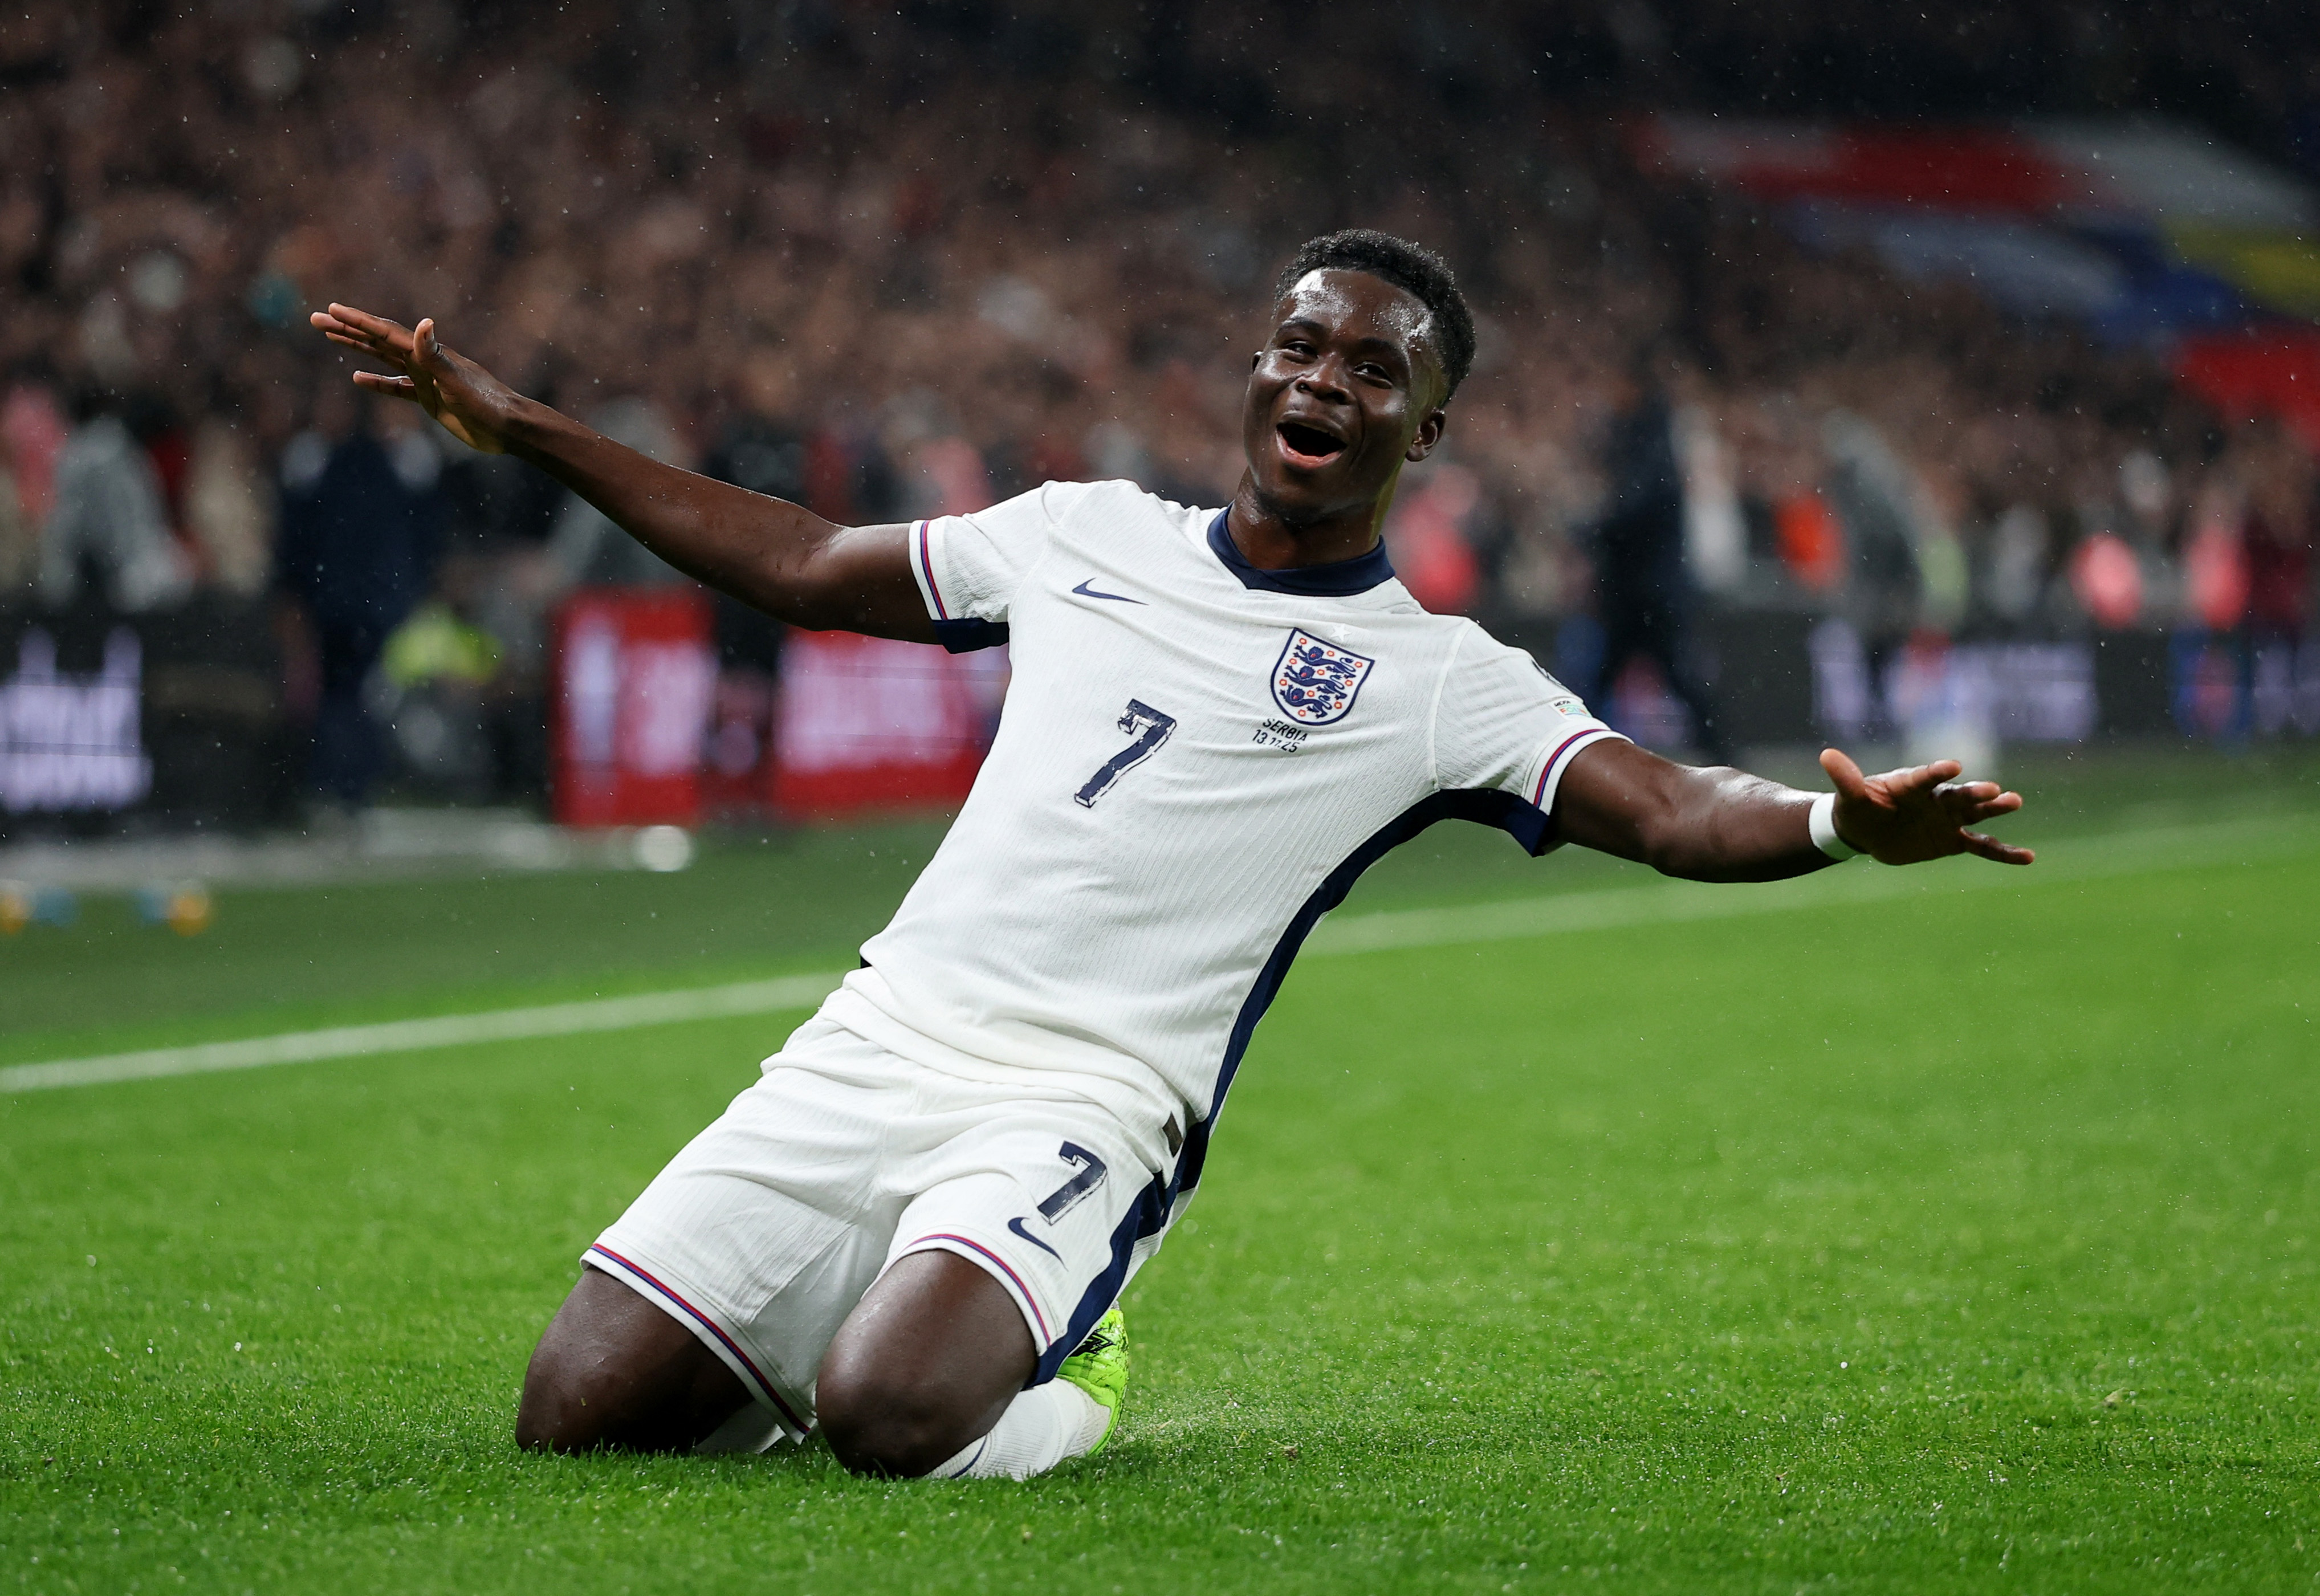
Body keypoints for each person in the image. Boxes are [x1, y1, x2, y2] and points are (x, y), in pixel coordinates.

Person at [313, 230, 2032, 1481]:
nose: (1323, 380)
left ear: (1420, 436)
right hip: (883, 1034)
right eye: (1303, 344)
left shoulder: (1435, 679)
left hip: (1091, 1101)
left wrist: (1830, 824)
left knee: (893, 1422)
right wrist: (526, 425)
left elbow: (1659, 806)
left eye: (1376, 370)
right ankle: (855, 1300)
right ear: (1258, 365)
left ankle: (1064, 1350)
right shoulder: (1079, 535)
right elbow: (809, 560)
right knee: (571, 1420)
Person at [1586, 365, 1731, 763]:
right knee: (1638, 674)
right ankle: (1722, 749)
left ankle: (1722, 748)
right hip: (1645, 589)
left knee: (1665, 673)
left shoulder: (1650, 442)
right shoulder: (1648, 439)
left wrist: (1594, 529)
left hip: (1647, 591)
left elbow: (1636, 508)